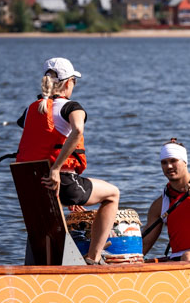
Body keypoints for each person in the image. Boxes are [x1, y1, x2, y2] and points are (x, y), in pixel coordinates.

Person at [15, 57, 119, 265]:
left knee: (42, 219)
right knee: (112, 194)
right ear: (69, 82)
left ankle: (36, 266)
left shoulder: (30, 110)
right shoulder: (72, 107)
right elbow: (78, 129)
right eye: (74, 82)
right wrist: (55, 170)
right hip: (59, 181)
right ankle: (93, 258)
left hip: (30, 185)